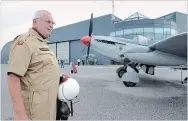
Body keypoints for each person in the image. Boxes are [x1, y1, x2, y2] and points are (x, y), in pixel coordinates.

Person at [7, 10, 60, 120]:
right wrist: (20, 114)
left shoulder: (41, 43)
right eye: (48, 21)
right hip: (33, 112)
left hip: (47, 109)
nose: (51, 25)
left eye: (53, 23)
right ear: (35, 22)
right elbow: (13, 77)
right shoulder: (25, 42)